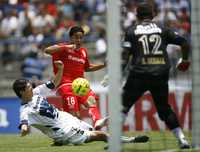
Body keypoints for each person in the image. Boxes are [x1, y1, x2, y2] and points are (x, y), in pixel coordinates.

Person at [12, 60, 149, 146]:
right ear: (22, 92)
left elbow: (54, 83)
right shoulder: (25, 110)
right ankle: (132, 140)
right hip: (63, 130)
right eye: (28, 86)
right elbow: (24, 124)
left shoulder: (36, 92)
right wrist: (24, 130)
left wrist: (60, 69)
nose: (31, 85)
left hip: (65, 118)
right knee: (99, 136)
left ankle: (61, 142)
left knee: (91, 130)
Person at [121, 3, 190, 149]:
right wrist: (185, 60)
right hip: (160, 73)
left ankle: (114, 140)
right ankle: (182, 139)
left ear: (137, 16)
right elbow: (184, 43)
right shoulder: (163, 29)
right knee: (164, 109)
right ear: (153, 15)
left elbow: (124, 57)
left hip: (139, 74)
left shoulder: (131, 31)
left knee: (122, 106)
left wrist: (117, 73)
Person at [44, 26, 107, 130]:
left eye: (81, 38)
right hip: (65, 85)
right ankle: (62, 132)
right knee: (75, 116)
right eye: (76, 37)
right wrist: (66, 47)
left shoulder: (83, 52)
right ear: (70, 38)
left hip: (80, 84)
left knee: (91, 100)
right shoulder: (63, 47)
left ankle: (97, 121)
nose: (78, 40)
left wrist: (103, 65)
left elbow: (87, 67)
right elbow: (47, 50)